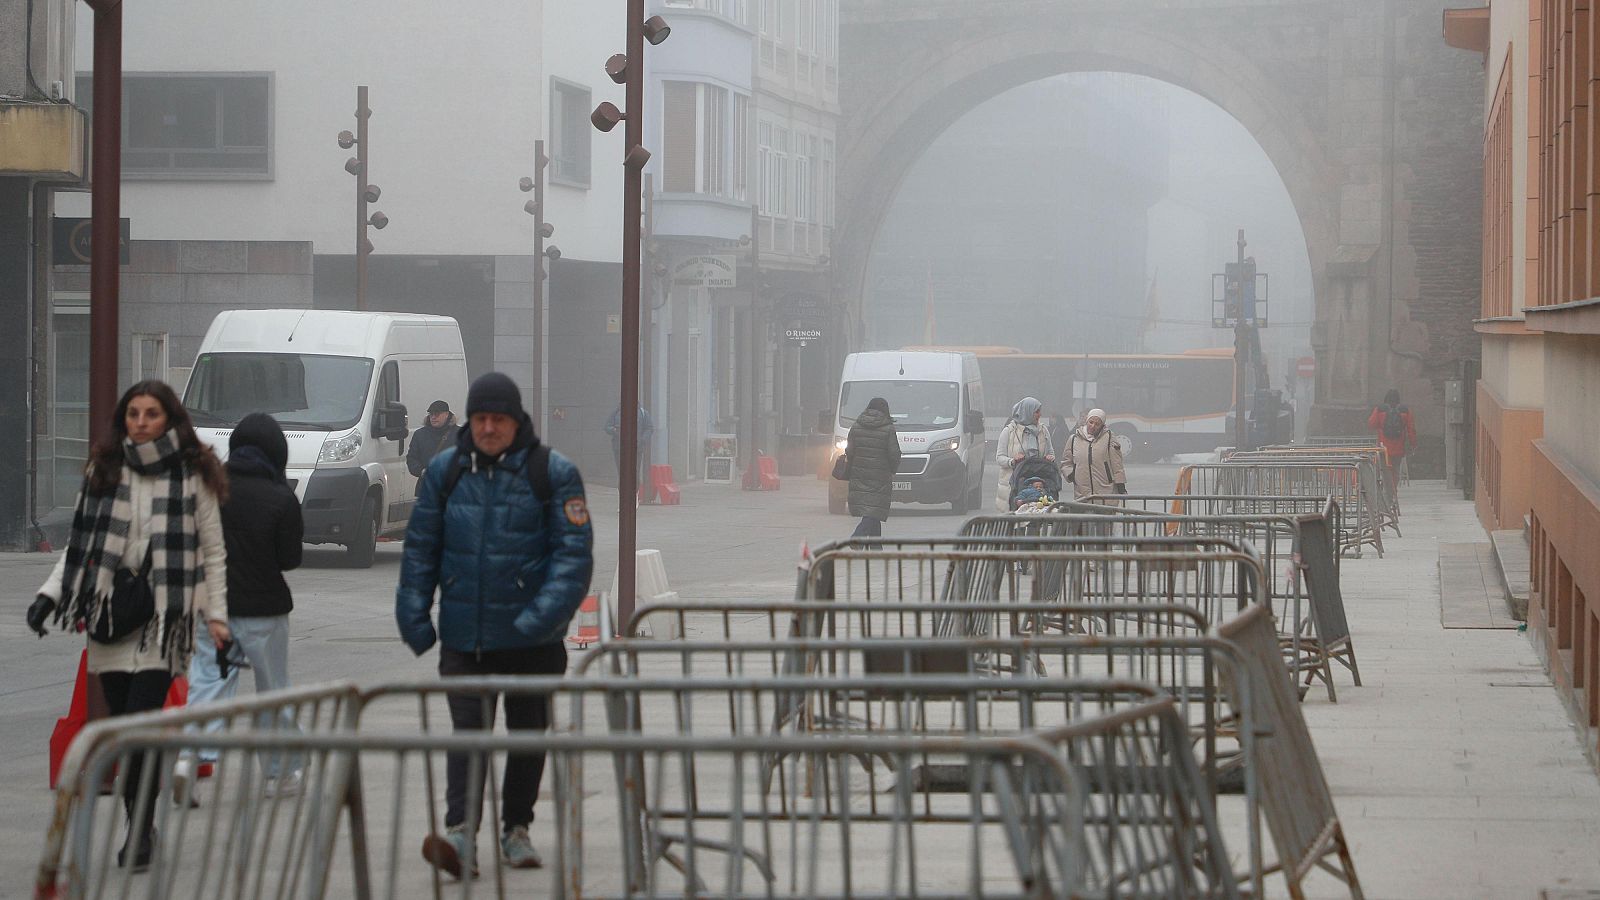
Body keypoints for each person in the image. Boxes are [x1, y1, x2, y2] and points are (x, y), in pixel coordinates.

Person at [26, 380, 230, 872]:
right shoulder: (105, 470)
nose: (140, 422)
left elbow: (213, 553)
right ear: (124, 419)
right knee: (122, 730)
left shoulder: (192, 473)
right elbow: (81, 547)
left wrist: (217, 619)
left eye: (151, 413)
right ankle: (141, 819)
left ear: (169, 419)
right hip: (110, 616)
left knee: (139, 725)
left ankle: (138, 833)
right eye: (133, 413)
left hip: (165, 619)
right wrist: (48, 596)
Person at [397, 371, 594, 879]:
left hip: (535, 641)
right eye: (480, 418)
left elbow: (572, 559)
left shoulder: (553, 472)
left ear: (515, 420)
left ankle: (516, 830)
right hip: (467, 636)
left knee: (527, 736)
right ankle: (460, 833)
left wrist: (540, 618)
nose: (488, 428)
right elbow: (422, 548)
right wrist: (414, 613)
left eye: (498, 419)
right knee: (469, 735)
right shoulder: (445, 472)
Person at [173, 413, 305, 804]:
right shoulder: (282, 498)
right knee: (272, 691)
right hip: (265, 611)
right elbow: (289, 560)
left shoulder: (212, 491)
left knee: (207, 684)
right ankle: (280, 774)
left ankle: (188, 758)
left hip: (213, 608)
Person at [844, 397, 901, 537]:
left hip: (859, 473)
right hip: (880, 476)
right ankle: (858, 536)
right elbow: (894, 453)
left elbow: (849, 450)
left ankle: (875, 545)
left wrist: (853, 464)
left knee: (873, 509)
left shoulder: (856, 426)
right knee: (873, 510)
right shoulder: (888, 429)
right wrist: (893, 469)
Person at [994, 397, 1055, 512]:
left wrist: (1050, 458)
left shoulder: (1043, 431)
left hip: (1037, 485)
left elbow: (1051, 452)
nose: (1039, 415)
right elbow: (999, 458)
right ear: (1027, 412)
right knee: (1013, 523)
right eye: (1036, 412)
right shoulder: (1009, 431)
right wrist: (1012, 461)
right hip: (1013, 485)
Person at [1062, 408, 1127, 501]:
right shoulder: (1073, 439)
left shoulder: (1109, 438)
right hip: (1082, 493)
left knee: (1104, 514)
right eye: (1091, 422)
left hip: (1106, 492)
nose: (1093, 426)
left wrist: (1121, 484)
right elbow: (1066, 462)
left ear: (1102, 425)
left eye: (1097, 424)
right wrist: (1072, 475)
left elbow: (1117, 464)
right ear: (1086, 421)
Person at [1368, 389, 1417, 477]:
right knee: (1396, 469)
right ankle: (1393, 489)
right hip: (1399, 446)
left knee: (1386, 470)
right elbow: (1411, 430)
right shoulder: (1405, 410)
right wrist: (1413, 444)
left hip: (1384, 446)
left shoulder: (1379, 409)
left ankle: (1389, 489)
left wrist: (1381, 425)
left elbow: (1371, 424)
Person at [407, 400, 459, 483]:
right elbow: (412, 458)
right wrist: (422, 471)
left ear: (446, 414)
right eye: (431, 414)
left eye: (437, 414)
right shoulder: (420, 434)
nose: (433, 417)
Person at [605, 404, 655, 487]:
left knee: (634, 473)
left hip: (636, 448)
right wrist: (614, 430)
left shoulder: (642, 413)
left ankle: (634, 493)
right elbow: (607, 427)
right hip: (620, 448)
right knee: (622, 473)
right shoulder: (616, 412)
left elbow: (649, 428)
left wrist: (642, 440)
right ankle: (623, 494)